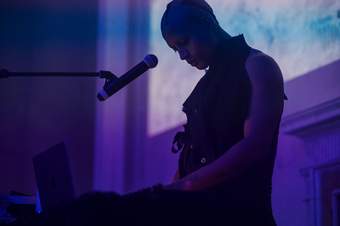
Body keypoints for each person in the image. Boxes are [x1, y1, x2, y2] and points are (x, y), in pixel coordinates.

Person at [159, 0, 287, 225]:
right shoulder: (202, 89)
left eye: (183, 42)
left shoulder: (258, 65)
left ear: (206, 24)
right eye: (175, 49)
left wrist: (184, 186)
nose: (181, 55)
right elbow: (190, 158)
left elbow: (255, 145)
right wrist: (164, 198)